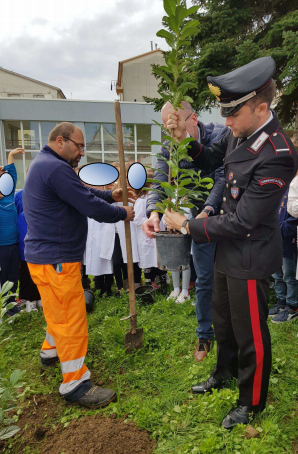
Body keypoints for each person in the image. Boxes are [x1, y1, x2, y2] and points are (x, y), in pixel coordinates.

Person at [162, 57, 298, 429]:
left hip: (251, 256)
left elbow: (244, 221)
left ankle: (251, 402)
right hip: (227, 251)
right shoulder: (242, 131)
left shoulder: (278, 153)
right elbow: (210, 157)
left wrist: (190, 226)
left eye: (232, 114)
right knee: (223, 321)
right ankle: (223, 373)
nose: (225, 122)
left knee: (251, 332)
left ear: (261, 108)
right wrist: (184, 139)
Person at [23, 122, 135, 409]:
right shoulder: (56, 168)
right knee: (70, 317)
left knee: (54, 309)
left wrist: (111, 195)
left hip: (44, 257)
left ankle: (50, 352)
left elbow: (80, 191)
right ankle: (75, 382)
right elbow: (89, 205)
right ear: (60, 141)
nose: (82, 152)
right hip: (58, 260)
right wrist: (122, 212)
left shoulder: (46, 164)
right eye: (79, 145)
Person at [143, 101, 228, 360]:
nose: (172, 133)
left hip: (225, 216)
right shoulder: (170, 147)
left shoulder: (220, 135)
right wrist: (154, 211)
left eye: (175, 125)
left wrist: (207, 210)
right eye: (167, 127)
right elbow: (159, 176)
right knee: (203, 278)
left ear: (192, 118)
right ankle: (204, 335)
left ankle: (231, 331)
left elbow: (222, 175)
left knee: (229, 277)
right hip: (197, 223)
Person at [0, 148, 25, 316]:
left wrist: (10, 156)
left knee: (13, 275)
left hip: (13, 243)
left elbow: (12, 174)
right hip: (1, 246)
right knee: (2, 277)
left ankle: (11, 303)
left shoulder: (9, 196)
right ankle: (3, 305)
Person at [268, 188, 298, 322]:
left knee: (288, 275)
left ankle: (292, 307)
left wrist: (283, 229)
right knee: (276, 273)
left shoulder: (294, 186)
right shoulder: (280, 187)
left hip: (287, 240)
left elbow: (294, 215)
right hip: (274, 239)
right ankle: (281, 302)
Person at [14, 184, 41, 312]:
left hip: (35, 242)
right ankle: (28, 299)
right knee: (27, 271)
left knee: (33, 272)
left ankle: (32, 297)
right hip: (26, 242)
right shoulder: (21, 197)